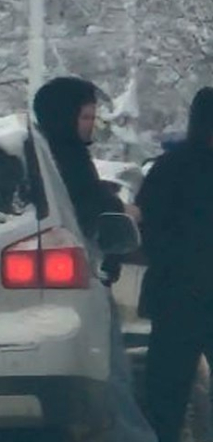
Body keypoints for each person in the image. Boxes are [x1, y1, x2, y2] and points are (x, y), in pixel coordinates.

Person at [33, 76, 156, 442]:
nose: (91, 126)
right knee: (109, 370)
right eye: (85, 117)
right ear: (64, 117)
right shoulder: (66, 159)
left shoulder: (41, 156)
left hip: (40, 300)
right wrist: (121, 211)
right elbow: (88, 208)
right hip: (79, 282)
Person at [136, 87, 213, 442]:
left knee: (166, 390)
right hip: (180, 293)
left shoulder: (169, 168)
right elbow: (148, 227)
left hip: (177, 292)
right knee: (167, 391)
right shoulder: (172, 168)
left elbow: (147, 227)